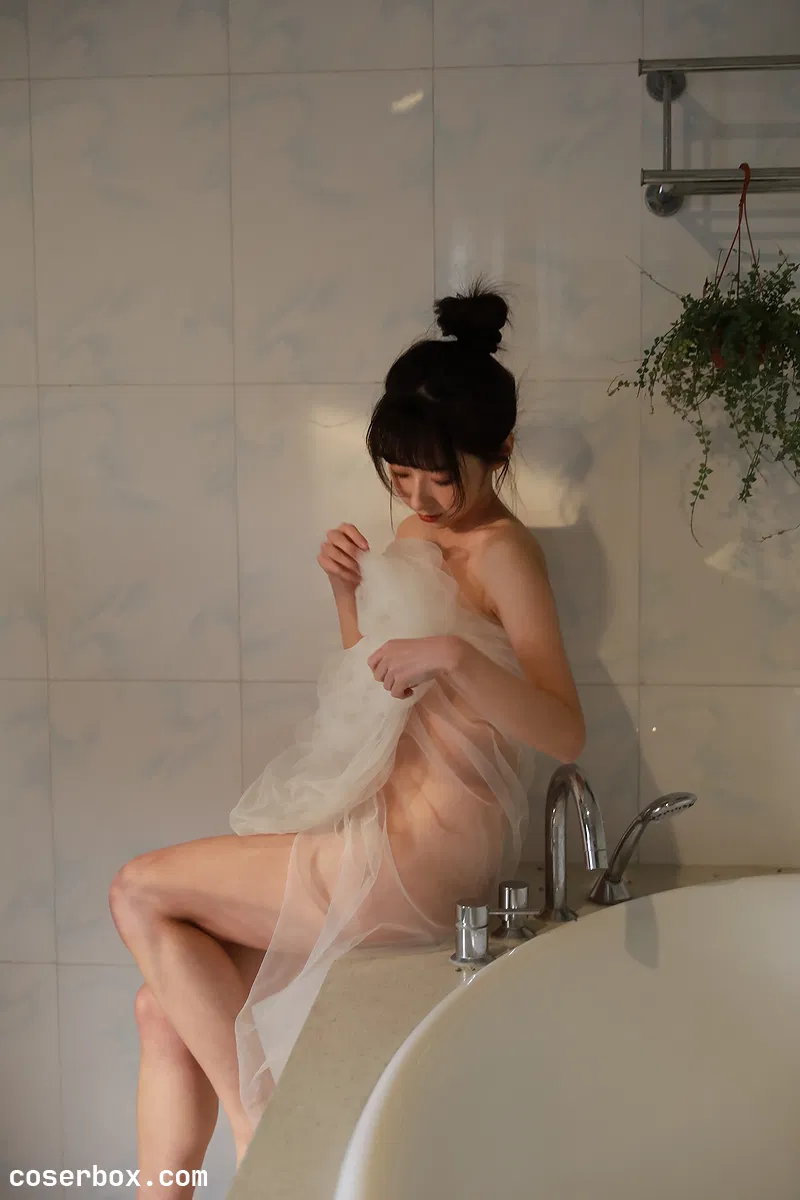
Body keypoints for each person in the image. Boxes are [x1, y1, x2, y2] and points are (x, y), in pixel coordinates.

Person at [109, 283, 585, 1197]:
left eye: (440, 476)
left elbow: (564, 728)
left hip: (426, 853)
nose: (420, 498)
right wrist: (347, 596)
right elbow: (381, 689)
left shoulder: (505, 553)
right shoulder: (417, 530)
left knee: (137, 890)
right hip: (377, 827)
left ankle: (261, 1125)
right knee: (160, 1008)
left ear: (500, 454)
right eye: (400, 477)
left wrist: (452, 656)